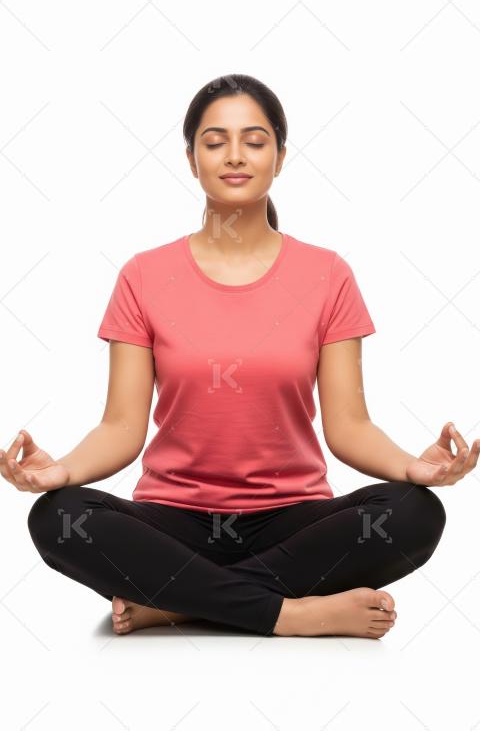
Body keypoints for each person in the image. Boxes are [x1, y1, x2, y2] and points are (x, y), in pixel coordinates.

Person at [3, 74, 479, 639]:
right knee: (59, 518)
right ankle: (289, 613)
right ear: (190, 158)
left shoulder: (327, 275)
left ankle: (177, 603)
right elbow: (121, 427)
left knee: (416, 513)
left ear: (279, 157)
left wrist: (415, 469)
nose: (235, 156)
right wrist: (59, 472)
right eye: (214, 141)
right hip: (172, 521)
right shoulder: (142, 275)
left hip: (291, 524)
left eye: (254, 141)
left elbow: (349, 425)